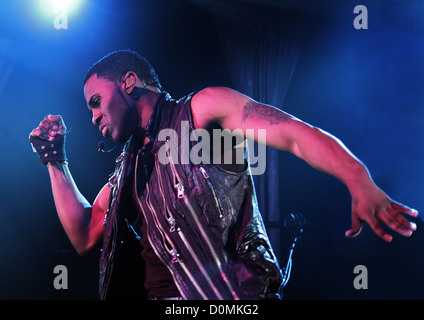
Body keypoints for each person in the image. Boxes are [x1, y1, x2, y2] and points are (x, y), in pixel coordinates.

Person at [29, 49, 418, 300]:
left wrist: (357, 178)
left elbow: (294, 135)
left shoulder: (202, 109)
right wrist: (55, 161)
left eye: (96, 102)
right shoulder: (127, 168)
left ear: (129, 83)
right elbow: (84, 235)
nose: (93, 116)